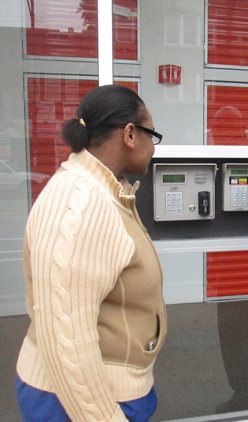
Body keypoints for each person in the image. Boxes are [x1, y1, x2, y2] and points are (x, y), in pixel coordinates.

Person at [15, 84, 167, 422]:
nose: (153, 149)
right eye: (152, 136)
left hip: (111, 389)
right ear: (130, 134)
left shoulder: (104, 189)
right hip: (73, 401)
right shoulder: (81, 205)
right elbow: (65, 339)